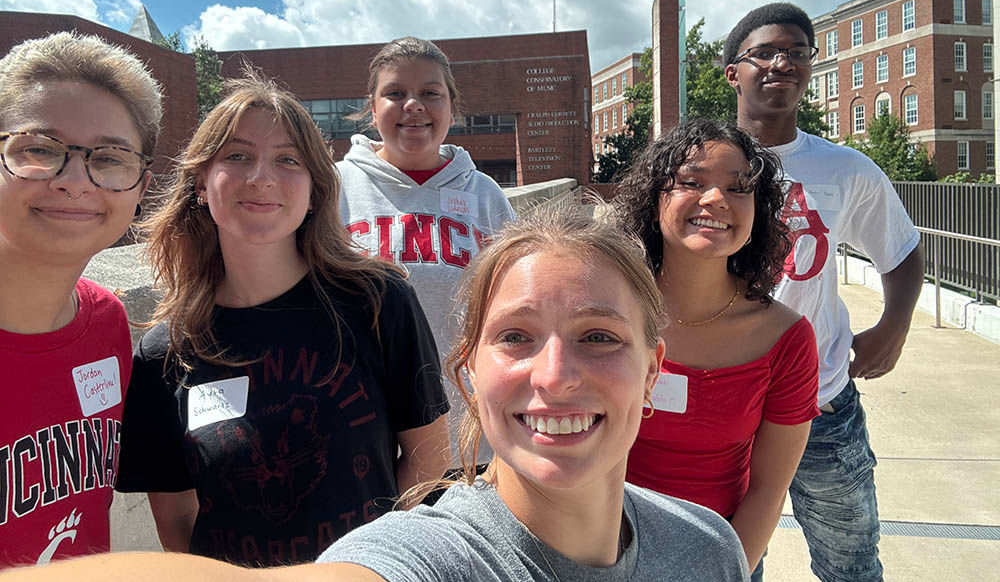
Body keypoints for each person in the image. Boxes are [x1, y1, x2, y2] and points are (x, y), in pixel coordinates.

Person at [4, 208, 751, 581]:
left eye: (599, 336)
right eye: (516, 337)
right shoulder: (425, 556)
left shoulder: (707, 547)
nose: (554, 375)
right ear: (469, 373)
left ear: (654, 369)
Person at [113, 72, 450, 566]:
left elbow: (428, 460)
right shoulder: (166, 352)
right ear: (201, 185)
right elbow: (177, 519)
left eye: (287, 159)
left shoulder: (377, 302)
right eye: (237, 156)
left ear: (315, 192)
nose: (262, 177)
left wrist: (371, 568)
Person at [723, 2, 924, 582]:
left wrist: (894, 326)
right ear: (734, 71)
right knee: (729, 562)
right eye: (764, 51)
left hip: (822, 403)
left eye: (797, 52)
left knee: (851, 565)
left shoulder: (844, 170)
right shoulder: (700, 165)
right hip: (728, 401)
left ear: (811, 69)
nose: (781, 62)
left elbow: (902, 249)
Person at [616, 119, 820, 579]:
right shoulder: (607, 312)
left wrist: (727, 571)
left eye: (739, 186)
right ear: (654, 203)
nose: (716, 199)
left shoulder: (787, 339)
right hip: (600, 549)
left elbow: (769, 489)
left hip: (721, 554)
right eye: (691, 181)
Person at [0, 31, 162, 567]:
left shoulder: (109, 325)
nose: (75, 181)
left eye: (111, 158)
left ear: (140, 188)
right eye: (39, 149)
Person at [336, 36, 515, 459]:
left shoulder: (487, 196)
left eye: (430, 93)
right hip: (362, 438)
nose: (413, 104)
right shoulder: (334, 188)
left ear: (452, 106)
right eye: (395, 93)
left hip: (469, 438)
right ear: (372, 106)